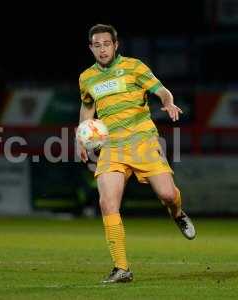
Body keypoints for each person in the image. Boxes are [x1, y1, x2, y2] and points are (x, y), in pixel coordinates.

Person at [77, 24, 196, 283]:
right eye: (97, 45)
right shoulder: (86, 77)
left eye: (106, 44)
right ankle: (121, 268)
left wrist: (168, 102)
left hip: (142, 140)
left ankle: (177, 213)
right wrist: (81, 136)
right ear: (91, 48)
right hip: (111, 146)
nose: (102, 49)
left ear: (115, 45)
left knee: (166, 193)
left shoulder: (135, 67)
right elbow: (87, 109)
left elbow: (161, 90)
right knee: (107, 203)